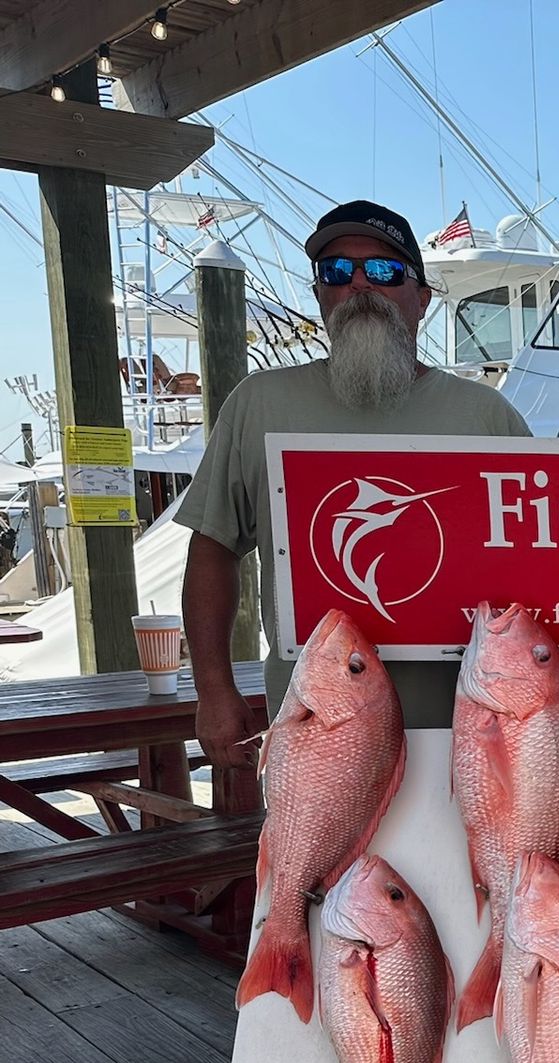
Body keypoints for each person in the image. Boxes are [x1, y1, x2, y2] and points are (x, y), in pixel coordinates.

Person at [179, 199, 531, 758]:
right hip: (317, 729)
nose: (361, 284)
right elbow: (213, 547)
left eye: (386, 271)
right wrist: (214, 690)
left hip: (469, 731)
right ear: (320, 295)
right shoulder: (259, 403)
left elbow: (538, 569)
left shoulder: (488, 416)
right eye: (338, 271)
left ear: (421, 300)